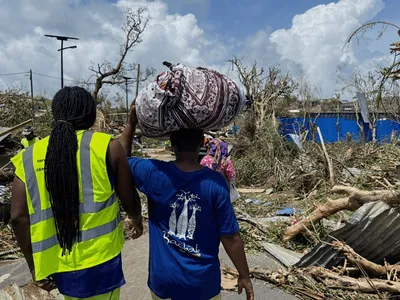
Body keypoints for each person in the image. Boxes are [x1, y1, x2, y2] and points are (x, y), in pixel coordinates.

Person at [10, 87, 143, 300]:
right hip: (101, 260)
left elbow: (18, 217)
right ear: (91, 115)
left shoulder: (28, 158)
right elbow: (129, 198)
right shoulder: (106, 146)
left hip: (58, 263)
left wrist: (35, 267)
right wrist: (136, 220)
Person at [120, 105, 254, 300]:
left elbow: (121, 162)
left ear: (172, 143)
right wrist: (244, 275)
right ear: (201, 143)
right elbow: (231, 238)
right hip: (202, 284)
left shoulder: (153, 172)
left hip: (163, 282)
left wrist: (131, 123)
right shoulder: (214, 183)